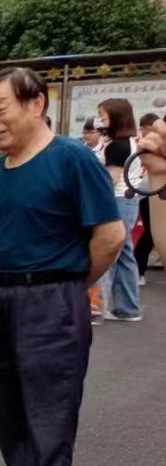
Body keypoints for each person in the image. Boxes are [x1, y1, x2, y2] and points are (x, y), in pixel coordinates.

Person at [0, 67, 124, 466]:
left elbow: (110, 237)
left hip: (50, 300)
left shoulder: (71, 159)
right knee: (9, 413)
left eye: (0, 108)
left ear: (36, 104)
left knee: (49, 417)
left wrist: (65, 286)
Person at [92, 97, 143, 323]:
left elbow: (109, 179)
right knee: (123, 255)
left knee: (106, 254)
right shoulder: (127, 141)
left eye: (103, 115)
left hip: (116, 201)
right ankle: (128, 308)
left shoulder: (118, 145)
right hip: (127, 201)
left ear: (116, 116)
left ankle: (95, 310)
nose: (100, 119)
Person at [137, 113, 161, 274]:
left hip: (155, 192)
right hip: (146, 194)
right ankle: (139, 269)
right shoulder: (141, 144)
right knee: (151, 233)